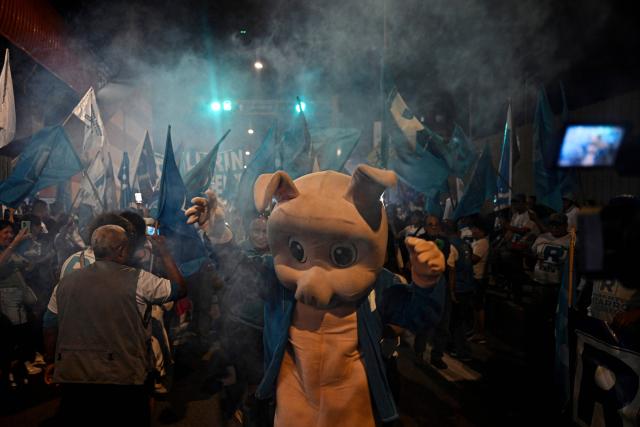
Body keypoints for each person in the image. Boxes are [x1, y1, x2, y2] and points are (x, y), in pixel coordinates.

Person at [42, 225, 186, 426]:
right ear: (121, 250)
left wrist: (51, 360)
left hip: (74, 376)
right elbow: (179, 289)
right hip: (124, 377)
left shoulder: (65, 283)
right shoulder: (139, 280)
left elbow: (49, 324)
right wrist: (165, 254)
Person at [0, 221, 41, 388]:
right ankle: (12, 369)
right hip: (7, 296)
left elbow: (29, 266)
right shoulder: (5, 251)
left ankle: (19, 365)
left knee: (22, 331)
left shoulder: (10, 250)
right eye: (6, 233)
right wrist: (16, 243)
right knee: (14, 334)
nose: (10, 236)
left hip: (20, 296)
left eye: (11, 233)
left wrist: (31, 252)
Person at [468, 218, 490, 345]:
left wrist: (464, 254)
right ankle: (475, 330)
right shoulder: (478, 241)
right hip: (475, 278)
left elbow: (474, 259)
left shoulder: (482, 243)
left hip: (478, 278)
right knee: (475, 306)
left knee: (478, 306)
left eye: (475, 228)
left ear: (481, 230)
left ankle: (480, 333)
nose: (472, 230)